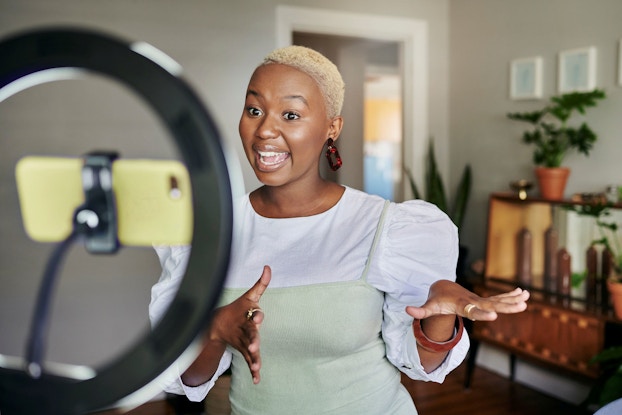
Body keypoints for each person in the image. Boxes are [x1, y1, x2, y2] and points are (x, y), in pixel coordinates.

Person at [149, 45, 530, 415]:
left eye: (291, 115)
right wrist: (216, 329)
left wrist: (441, 314)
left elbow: (423, 366)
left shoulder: (385, 227)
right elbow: (190, 380)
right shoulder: (214, 232)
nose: (265, 129)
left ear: (332, 128)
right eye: (254, 109)